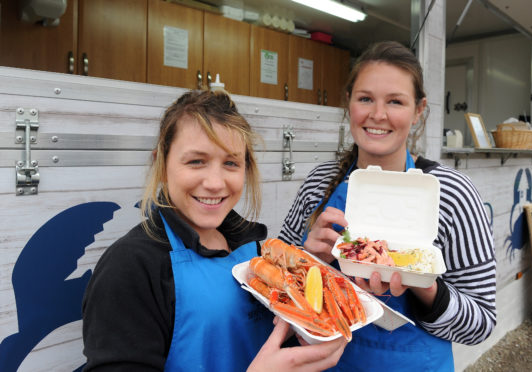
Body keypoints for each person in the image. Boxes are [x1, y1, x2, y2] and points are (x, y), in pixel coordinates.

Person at [82, 90, 347, 371]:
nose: (215, 183)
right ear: (161, 164)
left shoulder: (255, 248)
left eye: (231, 163)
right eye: (196, 161)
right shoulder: (130, 267)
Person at [279, 41, 496, 371]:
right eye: (365, 98)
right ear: (349, 103)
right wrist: (308, 262)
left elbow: (481, 323)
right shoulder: (319, 183)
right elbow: (275, 290)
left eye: (395, 101)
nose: (377, 115)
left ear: (418, 109)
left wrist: (424, 287)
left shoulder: (452, 194)